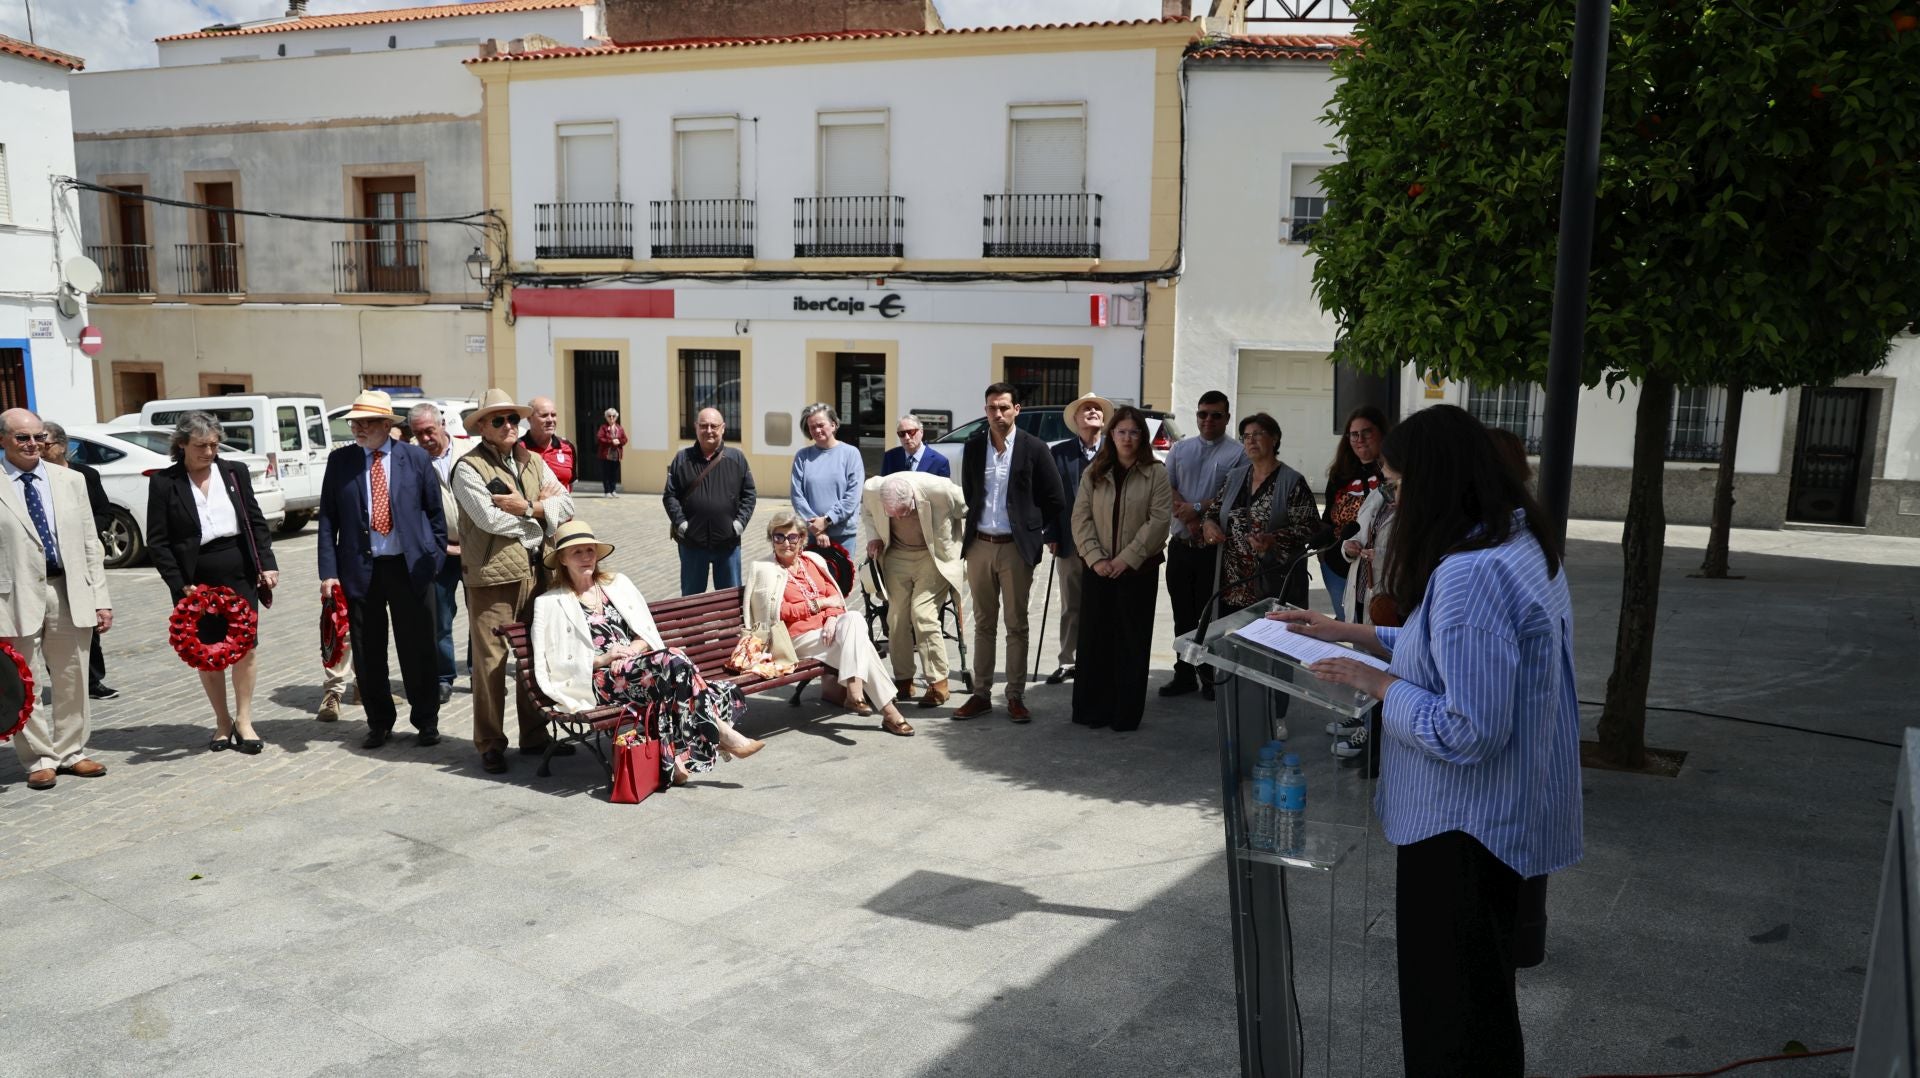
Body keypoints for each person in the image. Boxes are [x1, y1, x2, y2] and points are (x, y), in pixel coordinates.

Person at [1269, 404, 1581, 1077]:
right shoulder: (1517, 541)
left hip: (1460, 830)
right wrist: (1348, 634)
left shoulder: (1471, 575)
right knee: (1481, 1006)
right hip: (1495, 821)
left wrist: (1376, 686)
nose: (1393, 502)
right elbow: (1441, 649)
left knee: (1453, 1018)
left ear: (1436, 483)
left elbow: (1467, 729)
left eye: (1400, 486)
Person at [532, 520, 764, 786]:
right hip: (599, 679)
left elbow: (647, 634)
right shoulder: (549, 603)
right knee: (674, 662)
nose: (586, 557)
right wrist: (604, 659)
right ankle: (720, 732)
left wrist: (633, 648)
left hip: (638, 666)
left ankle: (678, 759)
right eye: (577, 552)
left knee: (673, 669)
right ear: (562, 559)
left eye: (590, 550)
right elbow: (553, 662)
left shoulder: (617, 584)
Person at [317, 390, 447, 751]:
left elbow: (434, 514)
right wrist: (329, 572)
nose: (357, 428)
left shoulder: (416, 458)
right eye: (354, 422)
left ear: (386, 425)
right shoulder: (341, 462)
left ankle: (426, 720)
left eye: (366, 421)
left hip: (410, 568)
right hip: (361, 569)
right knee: (368, 649)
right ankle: (378, 722)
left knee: (418, 648)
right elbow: (327, 519)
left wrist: (434, 558)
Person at [454, 387, 575, 774]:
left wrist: (529, 508)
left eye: (513, 419)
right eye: (498, 420)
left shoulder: (532, 460)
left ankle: (535, 735)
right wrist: (540, 520)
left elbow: (567, 504)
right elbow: (488, 519)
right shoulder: (468, 468)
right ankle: (490, 742)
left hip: (537, 571)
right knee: (491, 663)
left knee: (535, 655)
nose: (509, 426)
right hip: (491, 577)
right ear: (482, 428)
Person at [146, 412, 280, 754]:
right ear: (182, 445)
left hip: (239, 572)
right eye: (201, 445)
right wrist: (180, 585)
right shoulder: (164, 483)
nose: (209, 452)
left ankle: (245, 720)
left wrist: (267, 564)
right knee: (207, 652)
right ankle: (222, 722)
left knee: (245, 648)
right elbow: (158, 542)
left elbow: (254, 520)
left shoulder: (234, 472)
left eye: (214, 444)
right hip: (196, 581)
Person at [1, 408, 112, 791]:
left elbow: (89, 543)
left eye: (38, 437)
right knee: (24, 680)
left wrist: (101, 597)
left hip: (68, 590)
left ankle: (71, 752)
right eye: (22, 438)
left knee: (73, 677)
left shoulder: (70, 480)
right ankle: (38, 759)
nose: (33, 444)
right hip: (13, 596)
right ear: (3, 440)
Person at [745, 512, 917, 736]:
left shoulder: (812, 562)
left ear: (803, 539)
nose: (785, 543)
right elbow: (777, 612)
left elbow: (836, 598)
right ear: (772, 539)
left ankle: (860, 695)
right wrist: (819, 605)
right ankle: (883, 708)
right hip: (793, 639)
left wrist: (833, 617)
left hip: (827, 633)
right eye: (779, 537)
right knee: (861, 646)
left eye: (792, 537)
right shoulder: (764, 569)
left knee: (853, 618)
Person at [954, 382, 1066, 723]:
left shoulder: (1035, 448)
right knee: (984, 624)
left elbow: (1054, 498)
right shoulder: (973, 447)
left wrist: (1033, 532)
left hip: (1016, 550)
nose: (998, 414)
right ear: (985, 410)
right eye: (992, 408)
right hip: (980, 546)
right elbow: (972, 494)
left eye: (1004, 407)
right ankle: (981, 694)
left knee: (1016, 624)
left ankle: (1015, 696)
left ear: (1017, 409)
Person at [1067, 407, 1169, 732]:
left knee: (1131, 642)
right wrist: (1096, 558)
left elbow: (1159, 520)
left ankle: (1125, 713)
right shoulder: (1095, 471)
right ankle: (1092, 710)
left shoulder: (1156, 473)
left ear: (1143, 436)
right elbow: (1080, 518)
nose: (1127, 438)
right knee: (1096, 640)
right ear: (1112, 435)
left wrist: (1127, 558)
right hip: (1098, 570)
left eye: (1134, 432)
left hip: (1137, 572)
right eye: (1122, 432)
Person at [1160, 389, 1246, 699]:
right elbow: (1166, 487)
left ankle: (1209, 675)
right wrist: (1192, 521)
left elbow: (1234, 496)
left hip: (1214, 552)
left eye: (1215, 415)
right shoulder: (1180, 449)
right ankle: (1183, 674)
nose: (1208, 420)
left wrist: (1196, 511)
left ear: (1227, 418)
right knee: (1183, 615)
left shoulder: (1237, 454)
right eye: (1202, 414)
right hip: (1182, 546)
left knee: (1210, 616)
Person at [859, 470, 967, 708]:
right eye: (894, 515)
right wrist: (874, 536)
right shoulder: (873, 489)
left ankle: (939, 682)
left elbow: (969, 509)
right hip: (897, 555)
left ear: (913, 498)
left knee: (923, 614)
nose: (900, 518)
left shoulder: (941, 489)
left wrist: (962, 547)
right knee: (895, 617)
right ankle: (904, 679)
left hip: (932, 556)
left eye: (905, 512)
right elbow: (867, 512)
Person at [1204, 412, 1321, 615]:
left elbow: (1311, 527)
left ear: (1274, 439)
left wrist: (1273, 539)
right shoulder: (1234, 477)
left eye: (1258, 434)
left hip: (1273, 585)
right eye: (1246, 436)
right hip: (1232, 587)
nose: (1251, 441)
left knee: (1267, 644)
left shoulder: (1292, 481)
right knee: (1230, 645)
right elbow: (1213, 512)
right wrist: (1208, 525)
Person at [40, 423, 118, 700]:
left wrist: (84, 534)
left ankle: (93, 680)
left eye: (45, 443)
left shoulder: (84, 475)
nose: (39, 448)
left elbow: (103, 512)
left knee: (88, 617)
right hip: (50, 564)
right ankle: (62, 679)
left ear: (61, 445)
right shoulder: (35, 479)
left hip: (83, 554)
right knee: (52, 627)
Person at [1042, 392, 1109, 686]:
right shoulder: (1060, 453)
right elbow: (1052, 499)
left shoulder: (1115, 450)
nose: (1092, 412)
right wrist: (1052, 533)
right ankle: (1068, 661)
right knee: (1072, 604)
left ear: (1103, 419)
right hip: (1070, 542)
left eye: (1096, 408)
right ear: (1076, 419)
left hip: (1108, 543)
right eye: (1086, 409)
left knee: (1104, 603)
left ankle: (1100, 659)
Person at [410, 402, 468, 705]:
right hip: (440, 552)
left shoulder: (467, 451)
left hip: (475, 549)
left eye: (429, 431)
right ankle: (444, 677)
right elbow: (411, 510)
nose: (425, 439)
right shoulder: (413, 460)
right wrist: (439, 545)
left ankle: (479, 672)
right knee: (441, 619)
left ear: (442, 425)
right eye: (419, 434)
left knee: (482, 617)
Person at [664, 407, 756, 595]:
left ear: (723, 428)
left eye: (714, 426)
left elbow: (749, 494)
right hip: (692, 544)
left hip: (728, 543)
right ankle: (691, 625)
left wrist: (739, 524)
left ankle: (731, 626)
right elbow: (670, 496)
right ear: (696, 427)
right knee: (691, 597)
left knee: (730, 598)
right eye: (704, 425)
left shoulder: (736, 458)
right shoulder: (682, 459)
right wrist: (681, 524)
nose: (709, 430)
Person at [1321, 406, 1390, 619]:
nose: (1360, 439)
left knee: (1374, 631)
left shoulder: (1392, 474)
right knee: (1346, 623)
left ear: (1381, 434)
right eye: (1354, 434)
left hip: (1379, 570)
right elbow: (1327, 520)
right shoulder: (1340, 474)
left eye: (1366, 432)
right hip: (1336, 566)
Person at [789, 403, 864, 593]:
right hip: (812, 536)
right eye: (812, 427)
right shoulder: (803, 456)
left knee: (838, 589)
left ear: (833, 424)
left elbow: (852, 496)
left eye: (821, 425)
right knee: (812, 588)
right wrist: (817, 528)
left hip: (843, 535)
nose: (817, 430)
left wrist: (828, 520)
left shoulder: (850, 454)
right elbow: (798, 496)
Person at [521, 396, 577, 491]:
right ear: (529, 419)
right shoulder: (517, 448)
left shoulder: (567, 447)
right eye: (544, 415)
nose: (550, 420)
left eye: (553, 415)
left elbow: (569, 483)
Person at [880, 414, 951, 478]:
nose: (907, 437)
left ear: (921, 432)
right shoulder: (890, 457)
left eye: (911, 432)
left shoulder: (940, 462)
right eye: (902, 433)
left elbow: (943, 491)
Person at [594, 408, 627, 497]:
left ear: (616, 417)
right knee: (606, 473)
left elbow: (625, 439)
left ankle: (613, 490)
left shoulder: (619, 428)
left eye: (613, 416)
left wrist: (619, 441)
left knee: (614, 473)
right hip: (605, 455)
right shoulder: (603, 428)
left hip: (616, 455)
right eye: (609, 416)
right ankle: (607, 491)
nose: (611, 418)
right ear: (606, 417)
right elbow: (599, 438)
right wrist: (611, 441)